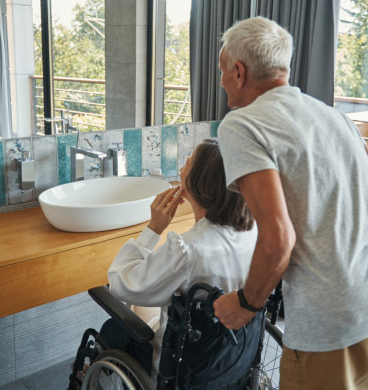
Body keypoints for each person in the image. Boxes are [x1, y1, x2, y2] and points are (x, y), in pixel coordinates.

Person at [212, 17, 368, 389]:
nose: (223, 79)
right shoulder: (332, 115)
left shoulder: (241, 125)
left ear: (239, 72)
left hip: (338, 325)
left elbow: (277, 241)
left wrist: (245, 303)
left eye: (224, 70)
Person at [107, 139, 257, 381]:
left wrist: (153, 229)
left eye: (188, 162)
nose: (181, 168)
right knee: (148, 298)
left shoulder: (186, 249)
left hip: (180, 366)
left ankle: (86, 375)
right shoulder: (253, 232)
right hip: (229, 361)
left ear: (199, 182)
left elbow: (120, 284)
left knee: (114, 328)